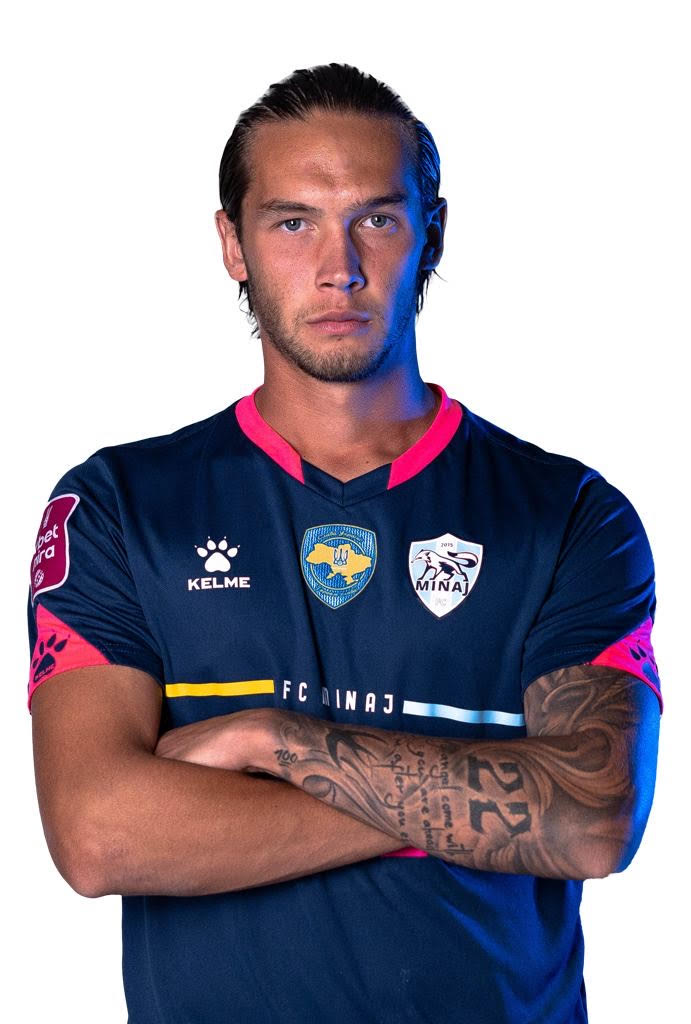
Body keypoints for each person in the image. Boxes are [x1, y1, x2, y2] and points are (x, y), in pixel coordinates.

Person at [28, 63, 662, 1024]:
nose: (340, 267)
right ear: (232, 244)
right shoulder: (119, 507)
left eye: (377, 219)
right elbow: (98, 834)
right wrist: (487, 807)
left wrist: (270, 740)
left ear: (431, 233)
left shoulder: (568, 514)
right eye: (293, 222)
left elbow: (589, 820)